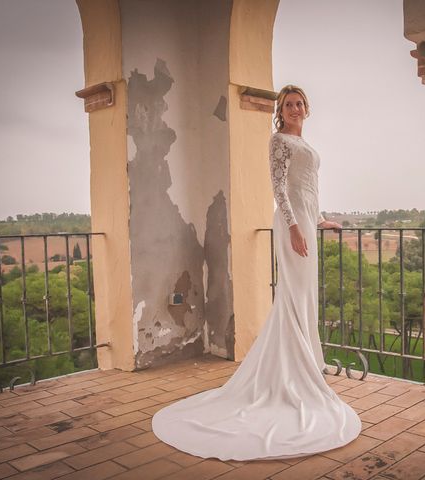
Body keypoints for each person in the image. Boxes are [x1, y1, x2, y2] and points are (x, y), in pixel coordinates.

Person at [151, 85, 362, 461]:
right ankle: (294, 369)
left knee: (304, 293)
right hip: (290, 224)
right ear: (281, 111)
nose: (295, 109)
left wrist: (320, 219)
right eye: (289, 105)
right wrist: (295, 226)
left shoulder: (305, 143)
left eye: (299, 104)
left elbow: (309, 187)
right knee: (293, 292)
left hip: (307, 222)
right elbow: (279, 188)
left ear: (306, 109)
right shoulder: (278, 140)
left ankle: (308, 361)